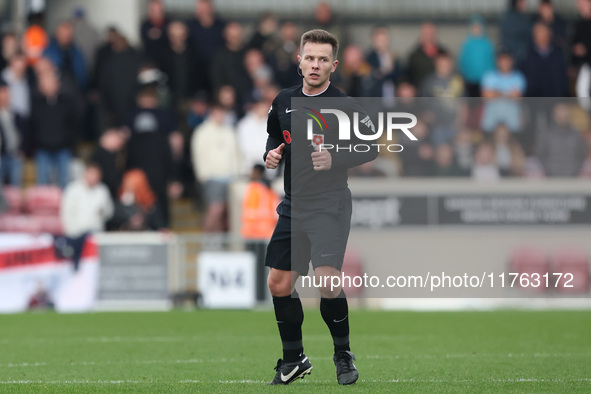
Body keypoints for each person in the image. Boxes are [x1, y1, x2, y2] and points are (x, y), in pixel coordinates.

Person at [263, 29, 377, 386]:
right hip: (294, 204)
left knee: (327, 282)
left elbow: (371, 147)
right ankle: (294, 359)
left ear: (333, 65)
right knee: (279, 283)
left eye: (322, 59)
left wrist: (336, 158)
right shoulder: (284, 100)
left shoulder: (345, 106)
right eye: (310, 57)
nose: (315, 65)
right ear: (299, 60)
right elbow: (273, 133)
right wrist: (272, 152)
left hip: (330, 204)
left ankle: (342, 354)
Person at [60, 163, 113, 270]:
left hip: (96, 235)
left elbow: (109, 212)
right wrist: (72, 232)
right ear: (85, 174)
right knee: (76, 267)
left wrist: (103, 211)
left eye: (96, 175)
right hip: (76, 235)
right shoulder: (73, 189)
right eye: (92, 174)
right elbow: (66, 213)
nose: (94, 178)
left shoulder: (102, 190)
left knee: (94, 268)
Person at [458, 15, 495, 97]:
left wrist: (490, 77)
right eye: (474, 27)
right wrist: (464, 76)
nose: (477, 29)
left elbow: (491, 61)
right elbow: (463, 62)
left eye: (479, 27)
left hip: (485, 82)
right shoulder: (467, 44)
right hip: (470, 81)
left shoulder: (487, 44)